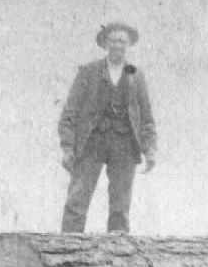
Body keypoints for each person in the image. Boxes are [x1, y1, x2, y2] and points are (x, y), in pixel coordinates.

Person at [58, 22, 156, 234]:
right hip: (92, 142)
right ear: (105, 43)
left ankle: (117, 251)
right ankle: (68, 248)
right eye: (113, 40)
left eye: (123, 41)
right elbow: (70, 112)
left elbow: (146, 117)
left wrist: (150, 149)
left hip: (124, 144)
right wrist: (67, 147)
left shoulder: (135, 74)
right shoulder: (89, 72)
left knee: (120, 208)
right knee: (77, 201)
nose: (118, 45)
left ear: (128, 45)